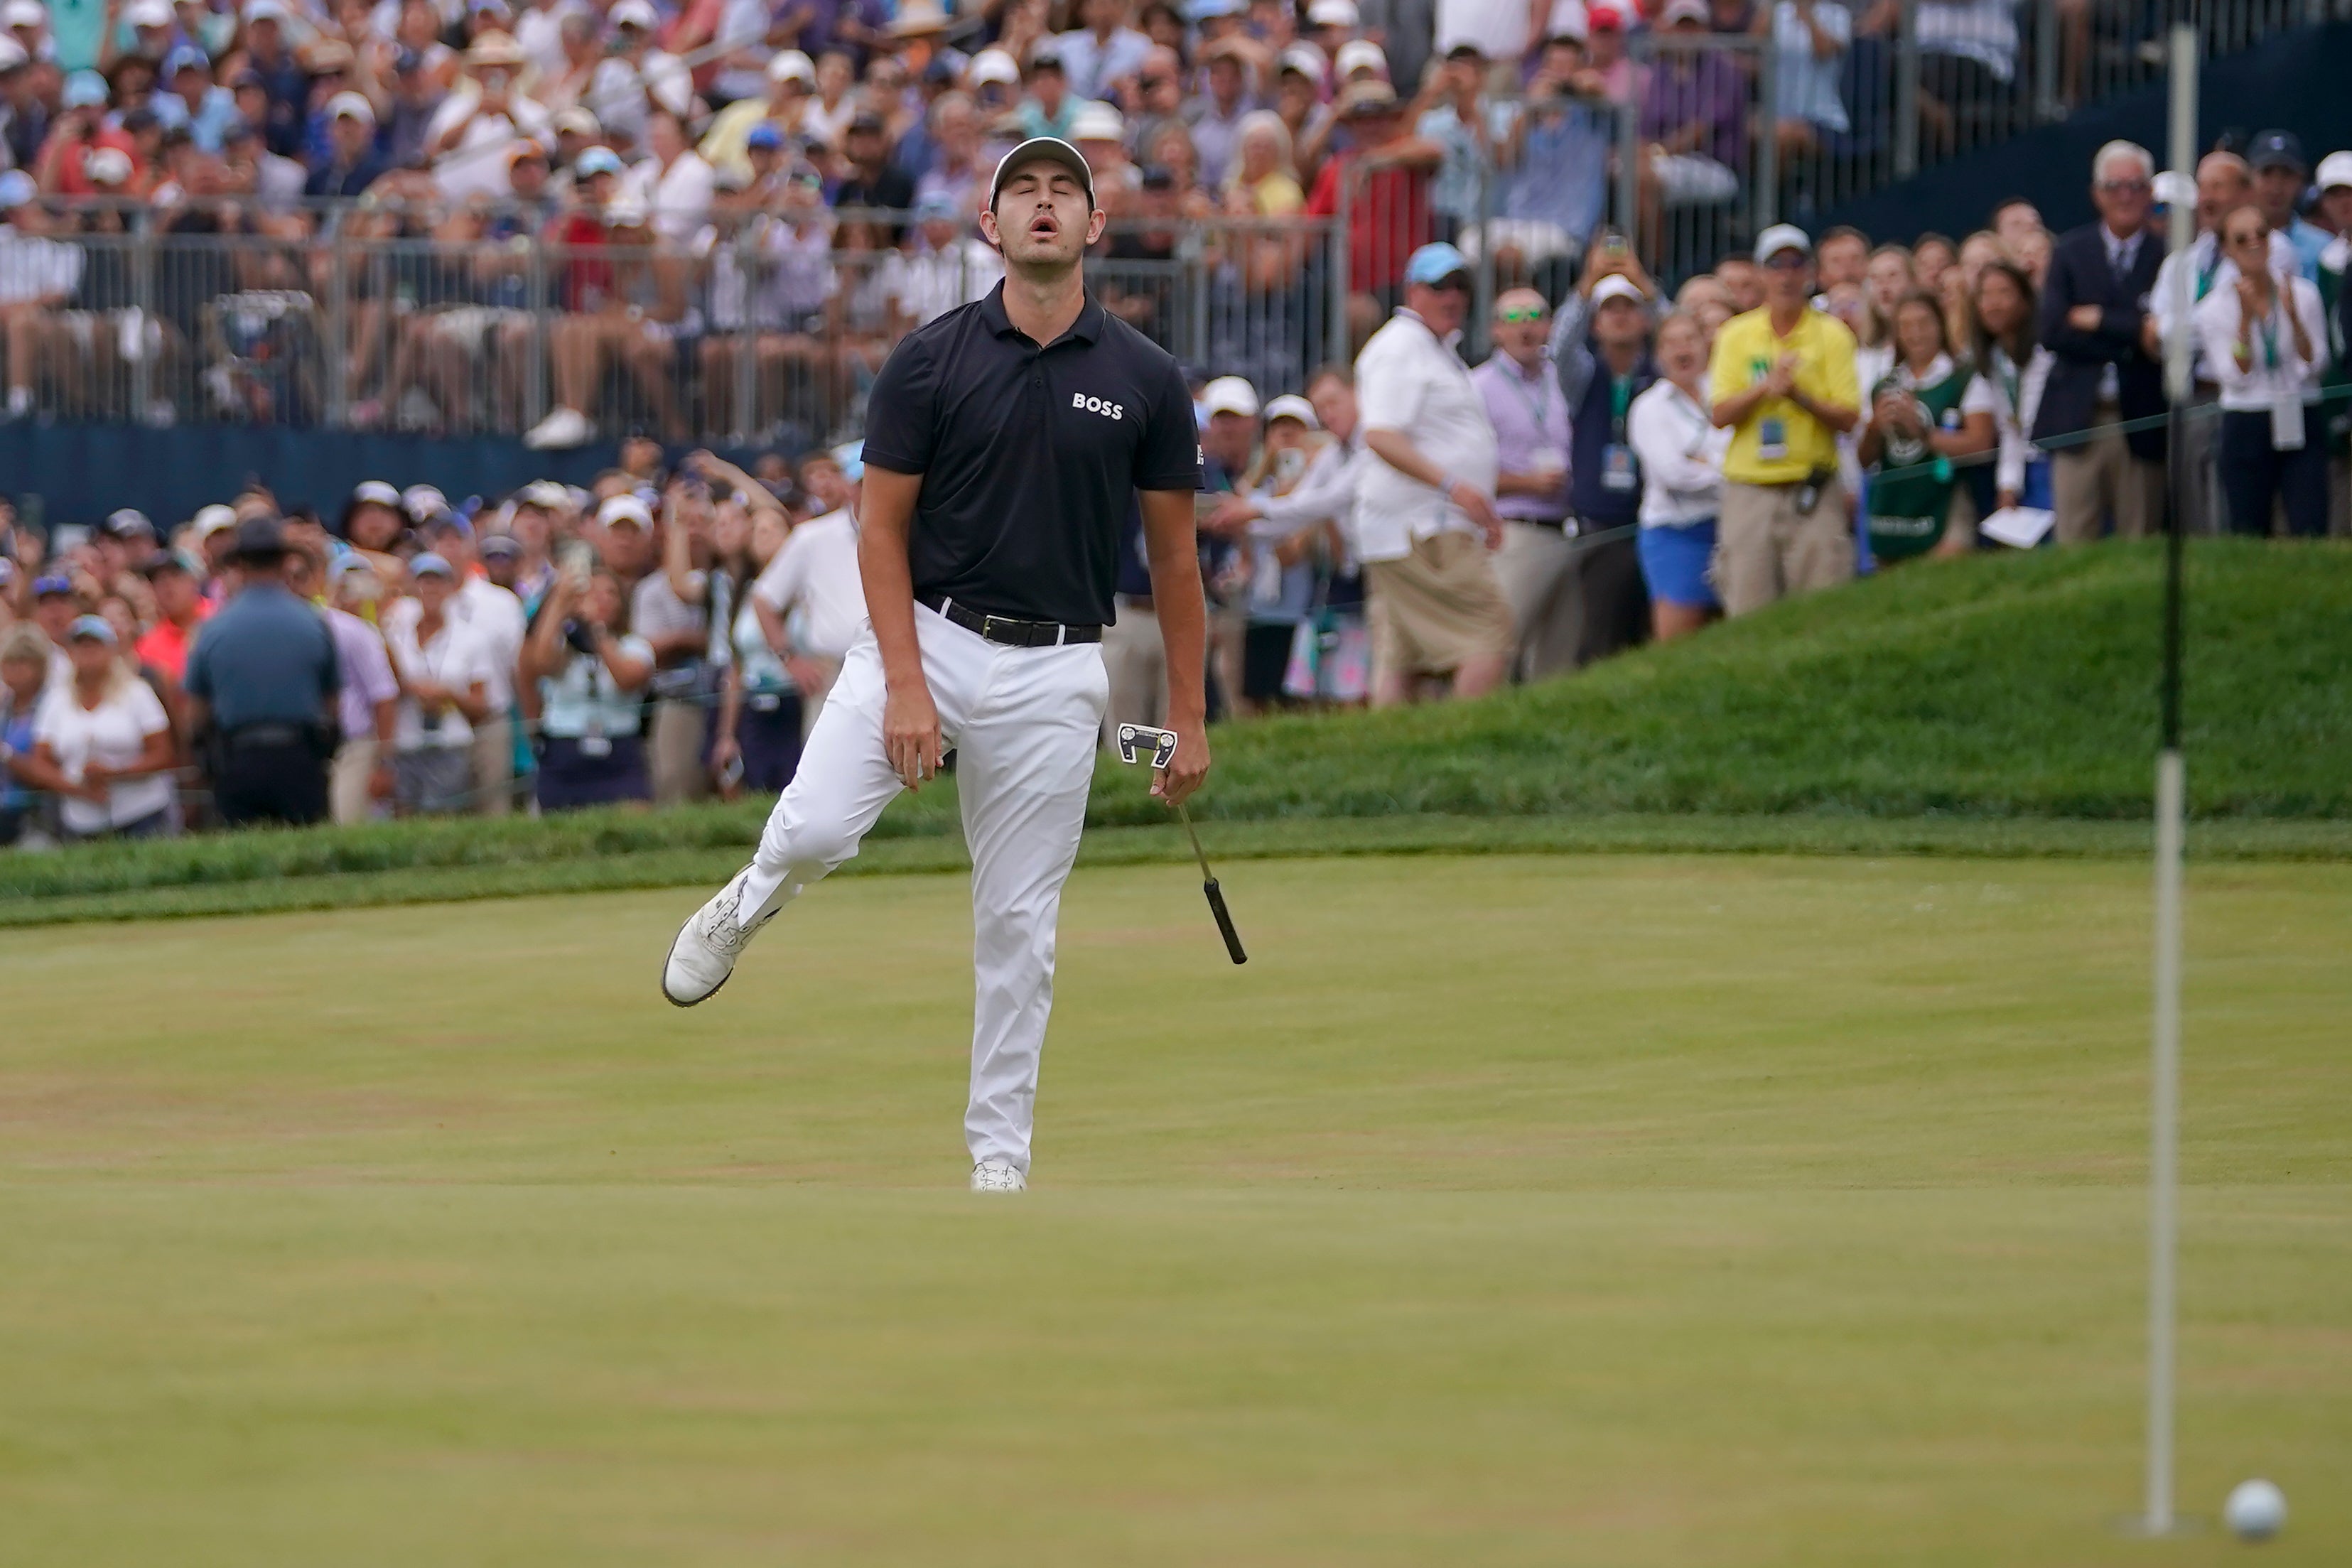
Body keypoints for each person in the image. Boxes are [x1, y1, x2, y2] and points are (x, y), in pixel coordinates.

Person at [659, 136, 1211, 1197]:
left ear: (1097, 228)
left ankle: (998, 1155)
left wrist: (1185, 716)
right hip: (928, 634)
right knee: (820, 827)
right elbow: (878, 533)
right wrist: (909, 683)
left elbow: (1177, 563)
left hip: (1057, 669)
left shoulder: (1145, 378)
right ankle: (752, 893)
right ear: (987, 226)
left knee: (1018, 927)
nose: (1043, 207)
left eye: (1064, 193)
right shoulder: (930, 357)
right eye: (1023, 193)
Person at [1351, 242, 1512, 706]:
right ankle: (1470, 740)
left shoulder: (1430, 348)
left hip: (1419, 525)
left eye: (1462, 285)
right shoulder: (1400, 347)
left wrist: (1473, 503)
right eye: (1440, 285)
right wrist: (1455, 487)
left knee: (1404, 657)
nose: (1453, 296)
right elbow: (1380, 435)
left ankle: (1393, 755)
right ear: (1412, 291)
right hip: (1422, 528)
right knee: (1489, 630)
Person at [1706, 222, 1860, 615]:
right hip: (1750, 488)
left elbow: (1848, 416)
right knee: (1748, 607)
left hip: (1813, 484)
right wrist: (1764, 389)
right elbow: (1720, 414)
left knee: (1822, 605)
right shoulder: (1735, 334)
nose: (1787, 275)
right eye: (1776, 265)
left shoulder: (1833, 334)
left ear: (1810, 273)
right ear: (1761, 274)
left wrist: (1799, 396)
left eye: (1796, 265)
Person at [2034, 141, 2165, 545]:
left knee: (2139, 538)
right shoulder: (2070, 251)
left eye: (2135, 185)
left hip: (2141, 417)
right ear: (2096, 194)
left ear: (2149, 193)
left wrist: (2100, 319)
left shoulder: (2169, 255)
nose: (2125, 196)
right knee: (2074, 540)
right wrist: (2132, 335)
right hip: (2078, 418)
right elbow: (2053, 331)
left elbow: (2165, 337)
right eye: (2114, 186)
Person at [182, 517, 340, 826]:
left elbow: (196, 715)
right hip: (300, 758)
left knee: (244, 860)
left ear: (239, 565)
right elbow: (332, 703)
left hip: (238, 759)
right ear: (284, 562)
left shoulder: (213, 630)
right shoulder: (312, 623)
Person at [2195, 205, 2331, 539]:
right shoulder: (2214, 309)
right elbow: (2234, 374)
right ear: (2227, 249)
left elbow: (2317, 364)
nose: (2255, 244)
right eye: (2242, 239)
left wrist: (2294, 317)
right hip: (2247, 419)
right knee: (2248, 528)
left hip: (2299, 411)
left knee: (2309, 523)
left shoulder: (2303, 294)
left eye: (2261, 234)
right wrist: (2244, 321)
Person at [1554, 261, 1661, 664]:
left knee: (1649, 634)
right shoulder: (1584, 376)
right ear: (1594, 324)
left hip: (1651, 519)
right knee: (1601, 637)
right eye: (1609, 309)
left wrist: (1645, 284)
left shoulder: (1658, 372)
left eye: (1630, 308)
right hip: (1599, 529)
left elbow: (1682, 337)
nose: (1620, 316)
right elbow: (1561, 348)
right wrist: (1584, 288)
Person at [1474, 286, 1575, 680]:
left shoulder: (1562, 377)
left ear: (1550, 325)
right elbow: (1466, 470)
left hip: (1569, 529)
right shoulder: (1478, 387)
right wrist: (1526, 483)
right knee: (1500, 644)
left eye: (1535, 317)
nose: (1526, 328)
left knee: (1559, 653)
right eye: (1514, 319)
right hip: (1515, 530)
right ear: (1496, 330)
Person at [1857, 291, 1997, 563]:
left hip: (1946, 500)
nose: (1916, 334)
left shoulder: (1964, 379)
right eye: (1906, 326)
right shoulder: (1884, 386)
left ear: (1939, 325)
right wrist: (1875, 428)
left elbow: (1981, 445)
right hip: (1895, 509)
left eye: (1924, 323)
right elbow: (1865, 459)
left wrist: (1922, 433)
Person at [524, 550, 658, 811]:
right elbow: (539, 662)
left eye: (610, 593)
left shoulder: (634, 646)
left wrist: (597, 632)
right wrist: (560, 603)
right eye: (593, 592)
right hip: (565, 750)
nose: (602, 600)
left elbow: (627, 678)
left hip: (619, 752)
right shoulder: (565, 648)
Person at [1625, 311, 1730, 640]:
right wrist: (1729, 474)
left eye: (1690, 340)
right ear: (1659, 355)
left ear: (1706, 345)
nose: (1682, 350)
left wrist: (1704, 463)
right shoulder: (1650, 407)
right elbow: (1674, 474)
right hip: (1677, 533)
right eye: (1671, 343)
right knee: (1679, 641)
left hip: (1729, 528)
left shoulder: (1727, 395)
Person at [385, 553, 494, 815]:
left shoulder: (472, 638)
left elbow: (482, 704)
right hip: (406, 740)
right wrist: (413, 688)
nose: (431, 589)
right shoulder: (395, 634)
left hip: (450, 742)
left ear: (450, 588)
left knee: (443, 817)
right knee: (403, 815)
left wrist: (448, 693)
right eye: (424, 582)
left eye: (438, 582)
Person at [1970, 259, 2054, 516]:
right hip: (2025, 467)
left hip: (2056, 463)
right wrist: (2008, 485)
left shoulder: (2047, 351)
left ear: (2025, 300)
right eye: (1985, 295)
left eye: (2004, 293)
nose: (1993, 305)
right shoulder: (1995, 358)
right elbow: (2011, 427)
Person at [323, 554, 400, 825]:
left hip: (356, 744)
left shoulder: (371, 630)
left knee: (349, 822)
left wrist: (383, 762)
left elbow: (386, 697)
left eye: (361, 580)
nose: (354, 589)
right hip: (320, 745)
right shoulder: (320, 623)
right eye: (347, 581)